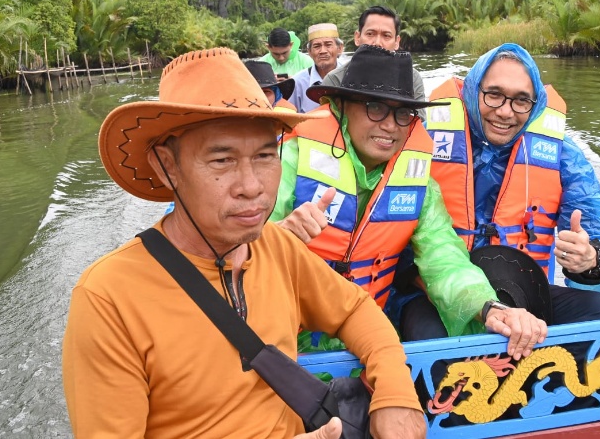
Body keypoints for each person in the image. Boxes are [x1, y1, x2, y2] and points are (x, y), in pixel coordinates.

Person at [62, 47, 426, 439]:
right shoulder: (109, 297)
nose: (252, 187)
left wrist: (395, 392)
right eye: (222, 161)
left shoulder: (276, 248)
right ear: (166, 166)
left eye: (266, 155)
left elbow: (355, 311)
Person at [271, 44, 546, 357]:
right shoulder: (287, 161)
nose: (390, 125)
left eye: (403, 113)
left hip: (362, 338)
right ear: (340, 106)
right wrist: (276, 236)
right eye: (376, 107)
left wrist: (491, 308)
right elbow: (232, 250)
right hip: (279, 339)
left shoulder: (421, 186)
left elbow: (443, 258)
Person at [413, 42, 600, 338]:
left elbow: (595, 227)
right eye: (494, 95)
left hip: (523, 292)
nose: (505, 112)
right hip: (438, 293)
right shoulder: (424, 142)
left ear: (534, 104)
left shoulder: (562, 154)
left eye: (521, 101)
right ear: (473, 92)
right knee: (426, 336)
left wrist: (591, 260)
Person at [322, 6, 426, 119]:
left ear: (396, 42)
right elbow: (328, 128)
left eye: (386, 36)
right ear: (357, 37)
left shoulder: (412, 78)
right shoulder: (335, 80)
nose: (377, 43)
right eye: (370, 34)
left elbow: (418, 124)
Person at [290, 22, 345, 113]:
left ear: (339, 48)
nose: (323, 51)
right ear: (309, 52)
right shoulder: (297, 82)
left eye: (328, 45)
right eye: (317, 46)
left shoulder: (350, 75)